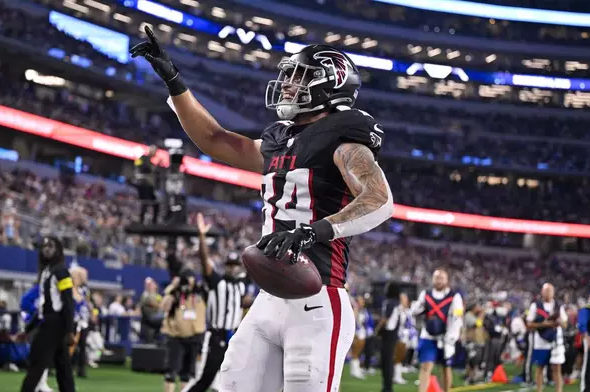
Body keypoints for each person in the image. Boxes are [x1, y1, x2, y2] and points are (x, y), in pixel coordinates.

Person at [131, 27, 393, 392]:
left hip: (317, 300)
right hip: (269, 298)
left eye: (300, 76)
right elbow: (215, 139)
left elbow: (379, 199)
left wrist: (312, 231)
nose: (287, 84)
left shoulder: (344, 137)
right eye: (287, 75)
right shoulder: (278, 139)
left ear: (331, 84)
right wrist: (175, 82)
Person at [181, 213, 246, 392]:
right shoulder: (217, 282)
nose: (233, 268)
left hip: (233, 338)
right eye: (230, 265)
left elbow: (245, 301)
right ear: (226, 266)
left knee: (230, 382)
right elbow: (204, 261)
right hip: (216, 337)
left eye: (235, 265)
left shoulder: (240, 286)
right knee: (204, 379)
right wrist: (202, 236)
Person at [20, 237, 76, 392]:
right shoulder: (46, 272)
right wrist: (28, 328)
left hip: (55, 324)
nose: (46, 249)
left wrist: (70, 330)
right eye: (44, 246)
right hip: (50, 322)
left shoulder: (62, 272)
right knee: (63, 367)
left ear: (58, 249)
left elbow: (68, 302)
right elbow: (42, 307)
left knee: (36, 364)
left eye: (50, 246)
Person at [411, 269, 464, 392]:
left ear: (447, 280)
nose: (439, 281)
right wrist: (416, 308)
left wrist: (452, 337)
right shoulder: (426, 294)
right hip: (428, 335)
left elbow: (457, 317)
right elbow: (416, 310)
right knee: (425, 366)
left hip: (446, 337)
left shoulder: (454, 296)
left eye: (442, 278)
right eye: (437, 278)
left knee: (446, 368)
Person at [161, 270, 206, 392]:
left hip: (194, 336)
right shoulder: (175, 293)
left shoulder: (200, 293)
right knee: (171, 372)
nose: (189, 283)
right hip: (175, 336)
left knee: (187, 373)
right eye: (186, 279)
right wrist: (174, 287)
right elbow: (164, 307)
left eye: (191, 279)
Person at [526, 283, 568, 392]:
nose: (548, 293)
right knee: (540, 367)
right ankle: (539, 390)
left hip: (555, 341)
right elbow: (529, 324)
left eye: (550, 291)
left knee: (557, 368)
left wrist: (559, 322)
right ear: (542, 292)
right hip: (540, 341)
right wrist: (545, 324)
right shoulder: (535, 305)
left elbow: (565, 324)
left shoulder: (559, 306)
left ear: (553, 293)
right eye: (546, 291)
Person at [19, 283, 52, 392]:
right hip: (37, 326)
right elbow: (24, 303)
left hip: (46, 326)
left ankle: (42, 382)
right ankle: (37, 384)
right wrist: (34, 314)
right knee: (38, 356)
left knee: (46, 355)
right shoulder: (37, 290)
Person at [378, 282, 402, 392]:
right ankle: (388, 387)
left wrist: (377, 330)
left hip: (387, 334)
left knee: (386, 361)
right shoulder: (397, 303)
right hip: (394, 334)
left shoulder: (389, 302)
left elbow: (385, 319)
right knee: (389, 361)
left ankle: (387, 388)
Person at [133, 144, 160, 224]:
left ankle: (153, 221)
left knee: (155, 203)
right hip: (144, 184)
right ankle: (141, 221)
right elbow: (137, 165)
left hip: (149, 185)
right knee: (145, 202)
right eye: (154, 151)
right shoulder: (143, 158)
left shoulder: (151, 162)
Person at [577, 290, 590, 391]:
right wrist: (588, 339)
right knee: (588, 367)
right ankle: (585, 389)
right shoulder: (587, 309)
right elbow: (582, 326)